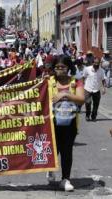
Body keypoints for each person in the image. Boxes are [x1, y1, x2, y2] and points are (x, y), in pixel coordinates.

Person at [47, 55, 85, 191]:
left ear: (68, 67)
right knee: (54, 149)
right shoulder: (48, 81)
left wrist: (66, 94)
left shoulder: (76, 82)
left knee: (66, 151)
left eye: (62, 67)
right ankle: (50, 169)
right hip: (52, 123)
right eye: (56, 67)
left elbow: (81, 99)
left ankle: (65, 179)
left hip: (70, 124)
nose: (59, 69)